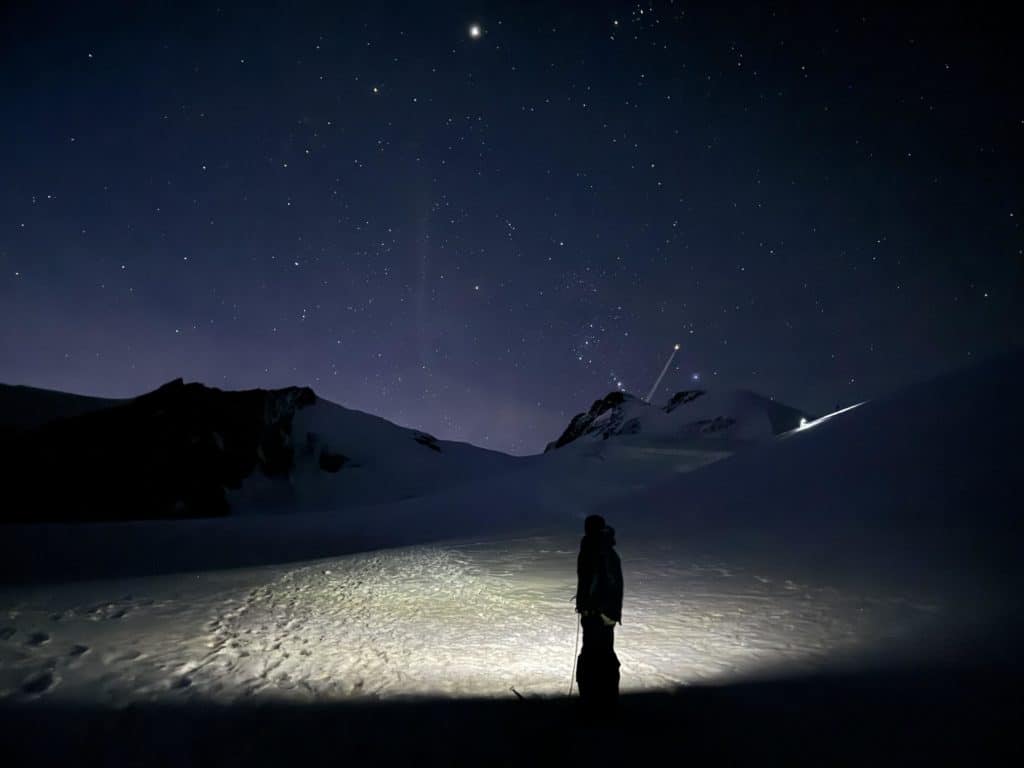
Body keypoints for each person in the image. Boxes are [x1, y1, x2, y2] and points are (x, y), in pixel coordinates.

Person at [574, 514, 623, 712]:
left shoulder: (597, 552)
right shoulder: (600, 550)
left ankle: (595, 701)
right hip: (602, 614)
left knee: (594, 657)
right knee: (601, 656)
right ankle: (604, 700)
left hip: (598, 615)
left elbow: (605, 582)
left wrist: (594, 609)